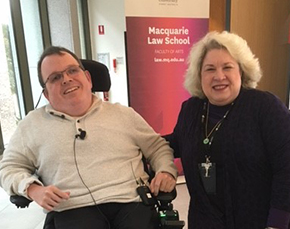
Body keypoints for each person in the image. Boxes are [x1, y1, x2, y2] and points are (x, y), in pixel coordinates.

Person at [0, 46, 177, 229]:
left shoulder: (123, 115)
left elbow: (158, 147)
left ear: (88, 78)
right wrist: (32, 189)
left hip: (130, 202)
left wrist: (165, 170)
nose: (67, 79)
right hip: (72, 207)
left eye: (72, 70)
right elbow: (8, 168)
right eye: (55, 77)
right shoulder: (32, 125)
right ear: (46, 94)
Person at [165, 31, 290, 229]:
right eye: (210, 69)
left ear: (241, 71)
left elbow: (286, 167)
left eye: (227, 67)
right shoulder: (191, 109)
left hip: (257, 221)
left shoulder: (265, 107)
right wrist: (133, 141)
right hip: (204, 220)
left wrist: (277, 224)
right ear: (199, 75)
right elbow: (175, 143)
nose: (219, 76)